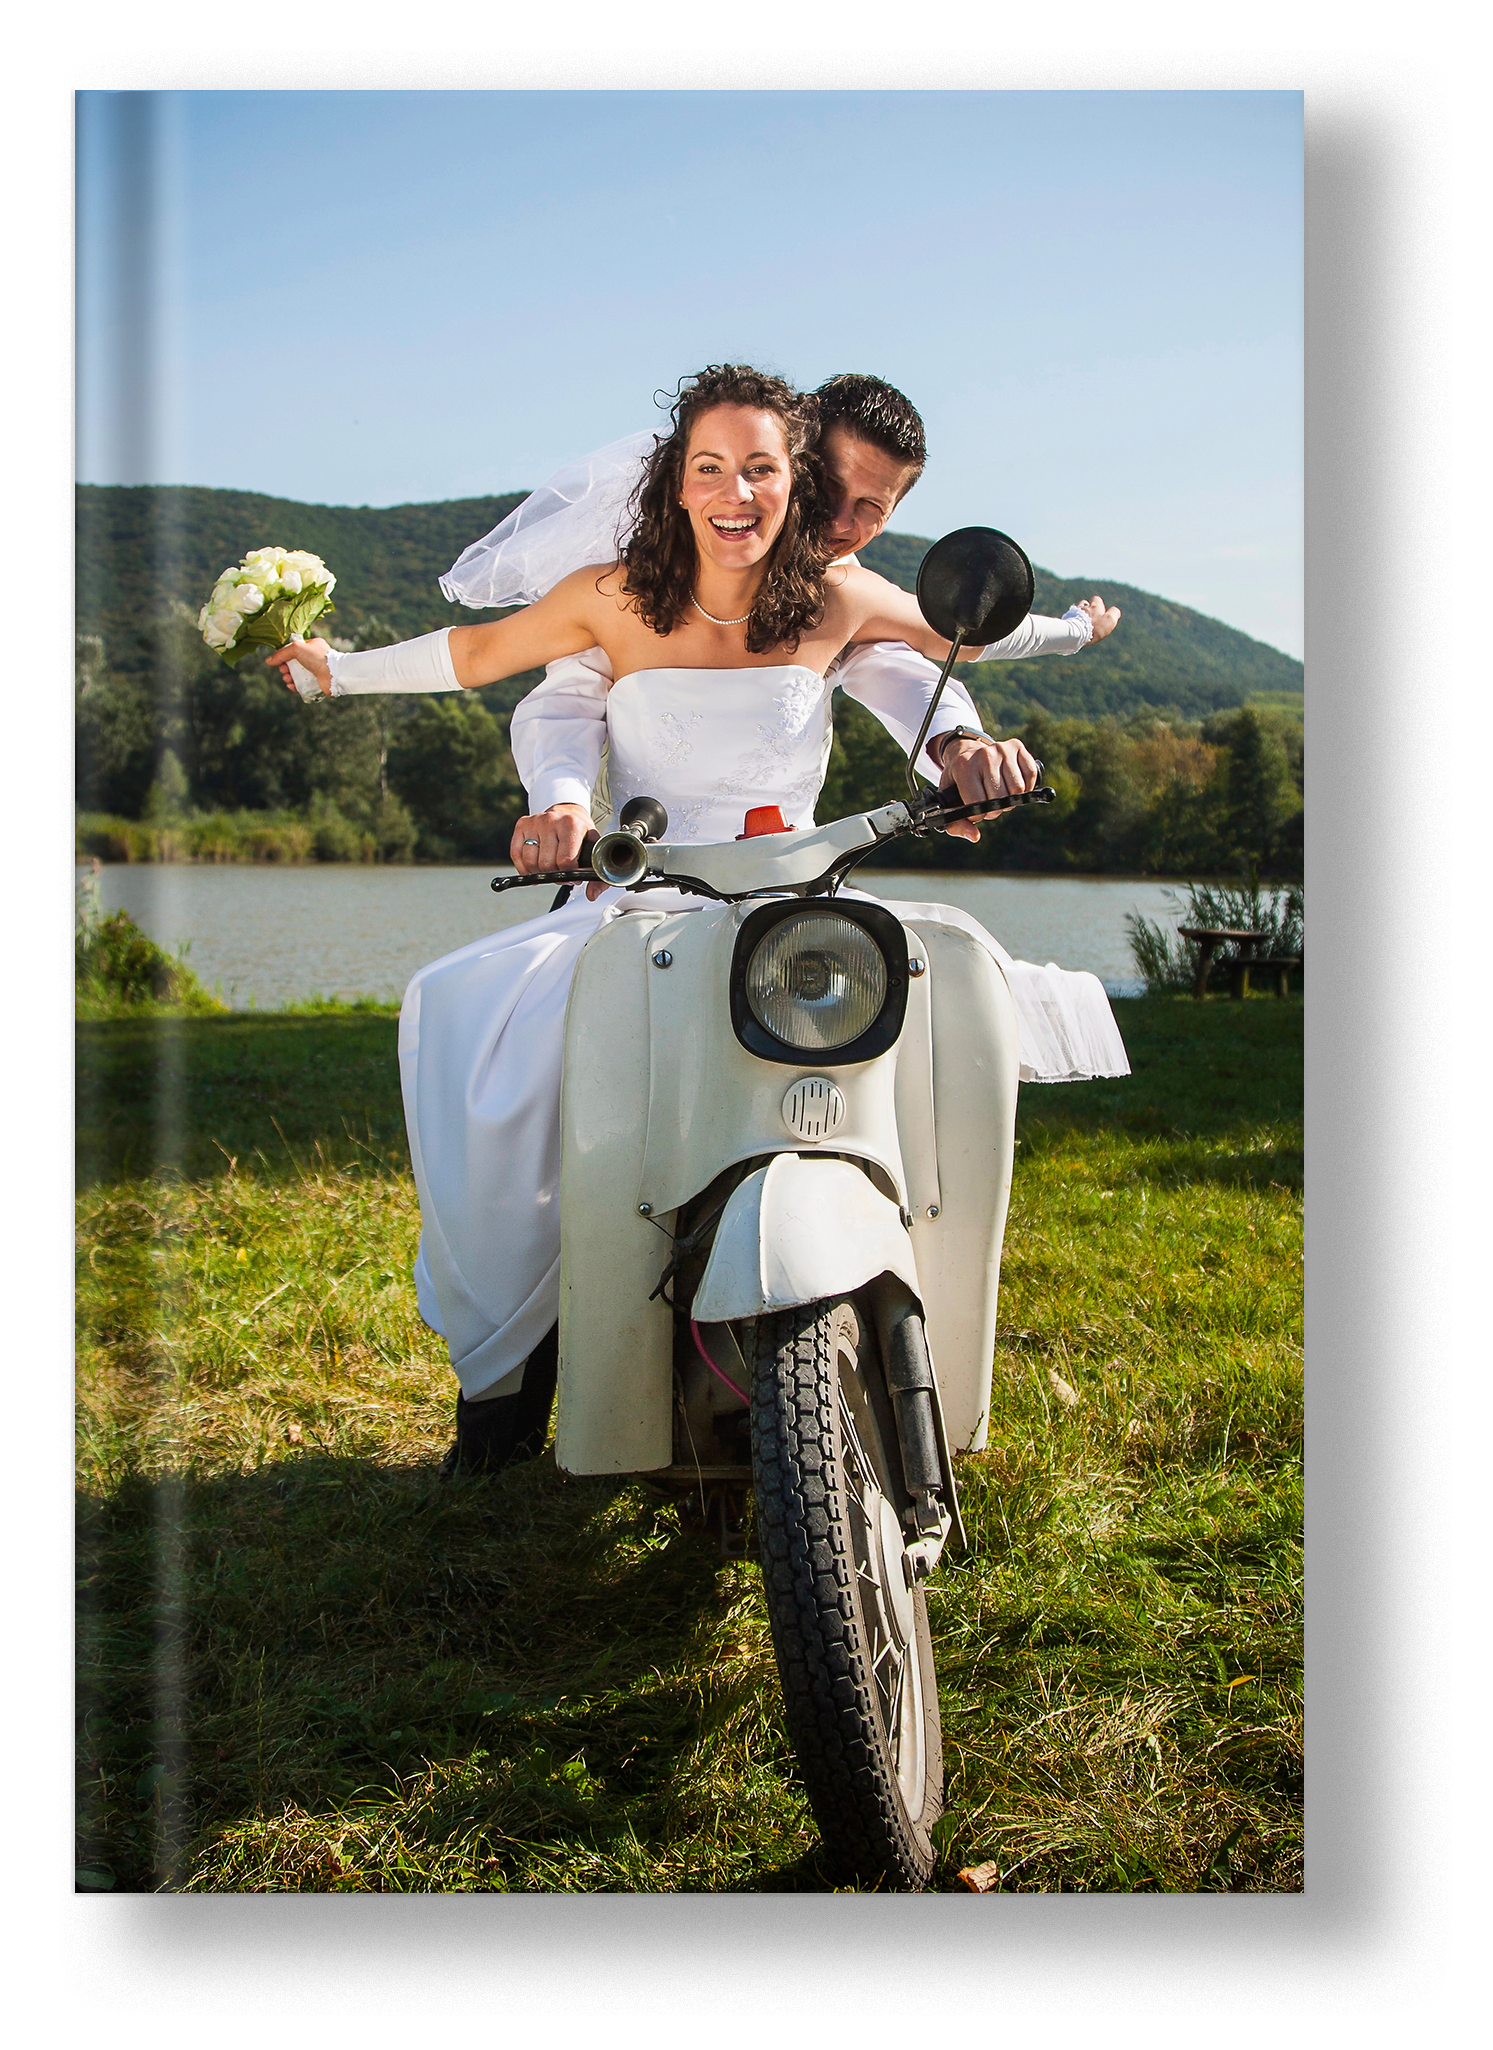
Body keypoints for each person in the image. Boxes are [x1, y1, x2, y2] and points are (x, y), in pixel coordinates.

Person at [268, 364, 1131, 1477]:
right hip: (644, 887)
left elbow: (943, 645)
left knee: (939, 1009)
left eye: (762, 471)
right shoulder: (612, 593)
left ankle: (907, 1299)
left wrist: (1048, 655)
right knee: (490, 1042)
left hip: (795, 892)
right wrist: (340, 675)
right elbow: (482, 660)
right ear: (677, 481)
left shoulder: (836, 596)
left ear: (787, 479)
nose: (746, 495)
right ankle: (511, 1362)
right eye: (711, 468)